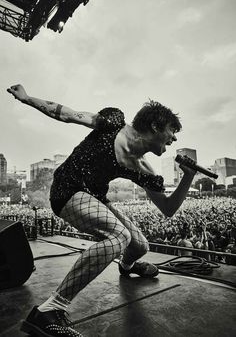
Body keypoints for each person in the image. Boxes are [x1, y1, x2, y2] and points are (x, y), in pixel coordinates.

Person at [7, 84, 196, 337]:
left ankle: (126, 267)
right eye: (172, 131)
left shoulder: (143, 169)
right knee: (119, 236)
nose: (174, 139)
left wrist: (187, 178)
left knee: (139, 246)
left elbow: (168, 209)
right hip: (67, 190)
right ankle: (48, 310)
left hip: (94, 196)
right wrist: (27, 98)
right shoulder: (113, 122)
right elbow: (69, 114)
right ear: (155, 126)